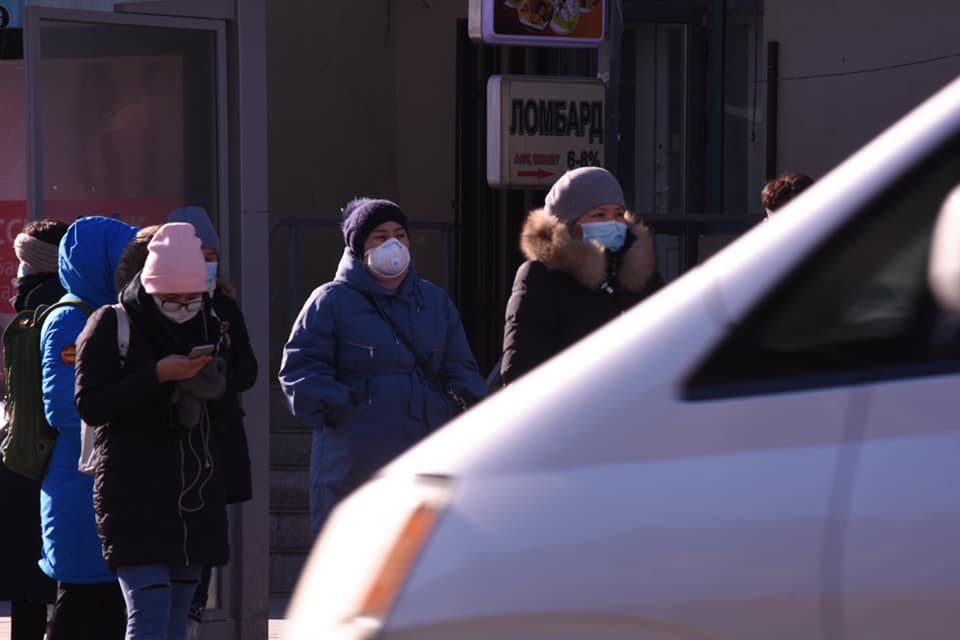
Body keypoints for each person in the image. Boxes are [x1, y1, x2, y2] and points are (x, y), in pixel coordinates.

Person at [278, 197, 487, 535]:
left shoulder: (434, 301)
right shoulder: (330, 301)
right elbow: (301, 370)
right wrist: (347, 412)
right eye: (380, 236)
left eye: (400, 235)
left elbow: (460, 368)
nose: (393, 244)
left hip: (426, 455)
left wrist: (470, 413)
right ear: (359, 246)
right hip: (354, 463)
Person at [74, 222, 238, 640]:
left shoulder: (210, 322)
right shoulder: (110, 323)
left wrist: (211, 380)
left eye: (191, 298)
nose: (182, 307)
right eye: (171, 299)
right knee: (148, 616)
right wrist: (159, 375)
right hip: (133, 494)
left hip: (193, 494)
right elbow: (91, 404)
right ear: (148, 288)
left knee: (177, 621)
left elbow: (228, 408)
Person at [39, 215, 138, 640]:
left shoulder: (118, 314)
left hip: (105, 474)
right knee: (79, 603)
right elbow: (63, 406)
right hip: (78, 481)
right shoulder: (69, 319)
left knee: (112, 608)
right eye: (122, 259)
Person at [167, 205, 257, 631]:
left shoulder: (224, 306)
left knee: (206, 537)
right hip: (174, 439)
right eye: (196, 255)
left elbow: (249, 372)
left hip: (217, 437)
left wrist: (224, 360)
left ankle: (193, 615)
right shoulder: (153, 306)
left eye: (211, 256)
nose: (206, 264)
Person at [500, 167, 663, 385]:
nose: (613, 223)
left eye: (618, 214)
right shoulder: (542, 277)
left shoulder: (640, 273)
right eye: (599, 215)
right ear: (567, 224)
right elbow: (522, 371)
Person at [0, 218, 67, 640]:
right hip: (39, 448)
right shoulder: (45, 302)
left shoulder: (44, 308)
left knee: (32, 570)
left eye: (23, 260)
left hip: (35, 452)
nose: (18, 269)